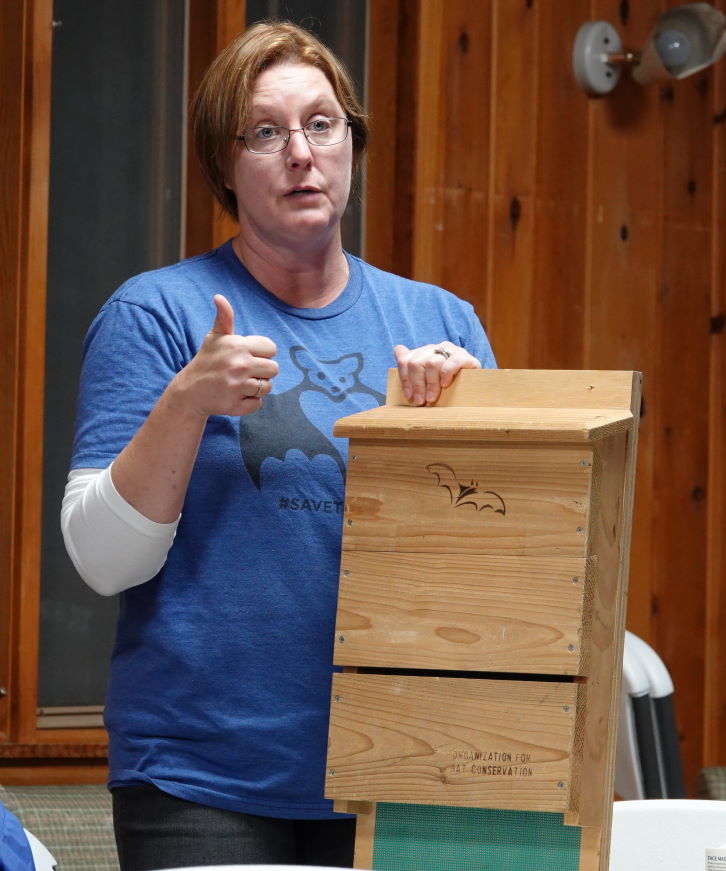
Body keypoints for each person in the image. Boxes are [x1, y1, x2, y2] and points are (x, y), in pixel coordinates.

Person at [60, 20, 496, 871]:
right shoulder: (155, 315)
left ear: (352, 147)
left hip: (403, 759)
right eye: (265, 131)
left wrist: (467, 428)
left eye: (322, 123)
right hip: (200, 777)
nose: (301, 152)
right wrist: (188, 399)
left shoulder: (442, 324)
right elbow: (104, 562)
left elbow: (492, 565)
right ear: (224, 166)